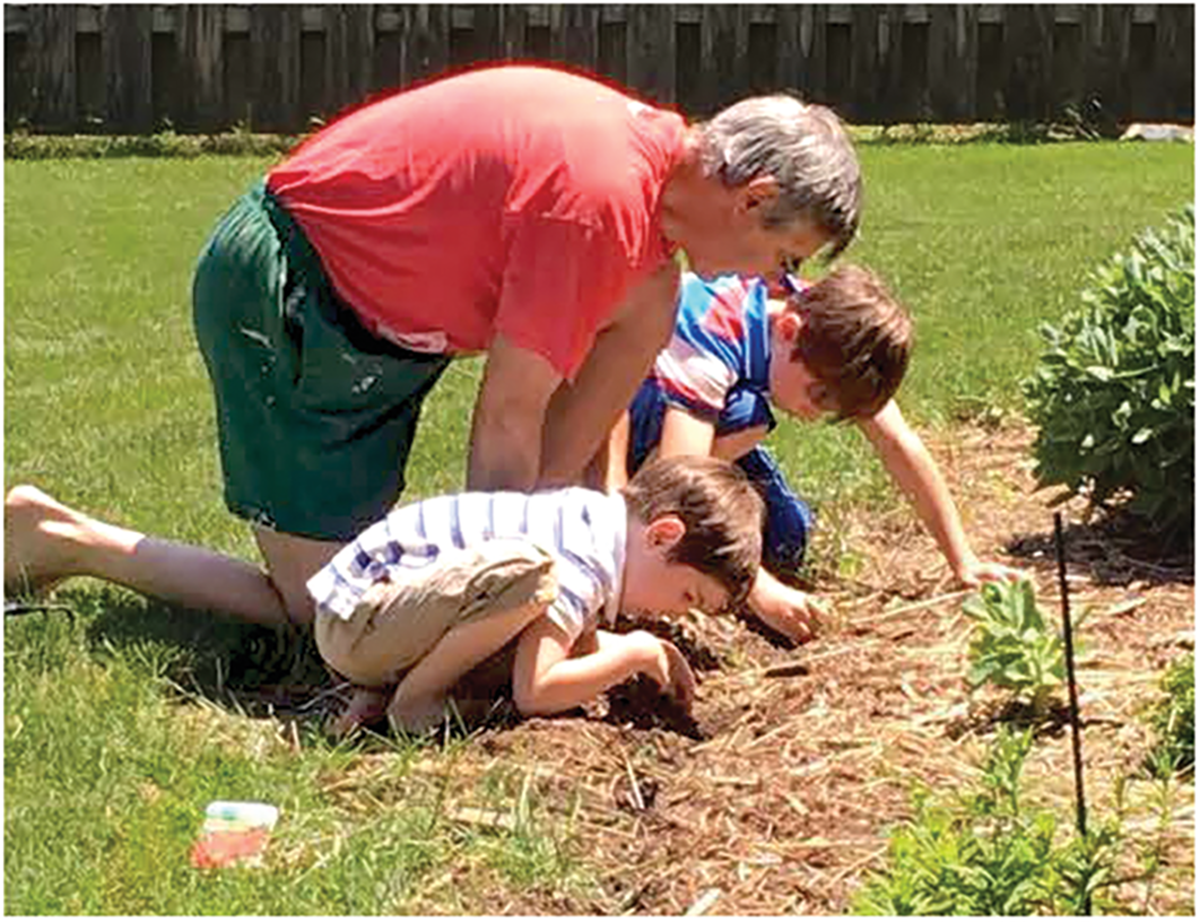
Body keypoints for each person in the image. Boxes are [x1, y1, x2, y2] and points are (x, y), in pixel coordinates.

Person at [5, 64, 861, 628]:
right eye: (783, 260)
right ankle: (60, 539)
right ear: (752, 198)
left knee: (649, 302)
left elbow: (563, 441)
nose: (767, 284)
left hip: (381, 339)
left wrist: (584, 567)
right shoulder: (599, 199)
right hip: (296, 294)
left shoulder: (651, 248)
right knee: (335, 616)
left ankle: (509, 579)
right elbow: (505, 422)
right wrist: (495, 607)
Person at [601, 266, 1024, 644]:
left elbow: (899, 443)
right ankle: (629, 525)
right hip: (633, 409)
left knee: (787, 538)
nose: (815, 412)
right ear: (788, 331)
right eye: (818, 395)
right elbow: (682, 481)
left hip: (704, 419)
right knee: (746, 417)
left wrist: (962, 559)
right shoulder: (714, 334)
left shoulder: (829, 330)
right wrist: (760, 592)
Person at [306, 455, 763, 735]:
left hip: (376, 626)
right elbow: (537, 690)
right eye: (687, 595)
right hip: (360, 622)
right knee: (530, 574)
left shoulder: (593, 525)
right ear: (662, 536)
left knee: (545, 633)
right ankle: (415, 705)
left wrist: (640, 650)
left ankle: (387, 692)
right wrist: (634, 653)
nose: (678, 614)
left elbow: (560, 648)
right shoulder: (583, 559)